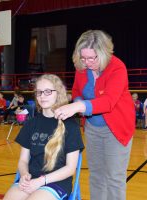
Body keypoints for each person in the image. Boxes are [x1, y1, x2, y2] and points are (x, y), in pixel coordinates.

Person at [53, 30, 135, 200]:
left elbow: (108, 101)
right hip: (92, 129)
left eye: (92, 58)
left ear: (103, 53)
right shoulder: (82, 68)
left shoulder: (117, 67)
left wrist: (78, 106)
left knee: (114, 178)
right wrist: (76, 101)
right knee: (96, 176)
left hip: (116, 129)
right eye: (83, 58)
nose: (87, 63)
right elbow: (77, 90)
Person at [3, 74, 84, 200]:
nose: (42, 96)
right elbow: (23, 160)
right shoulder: (31, 124)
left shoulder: (70, 126)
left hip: (56, 182)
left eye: (47, 92)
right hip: (31, 179)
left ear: (58, 93)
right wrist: (24, 174)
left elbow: (70, 168)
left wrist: (41, 181)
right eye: (39, 92)